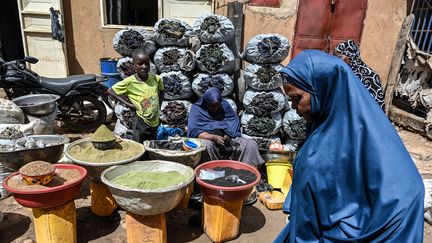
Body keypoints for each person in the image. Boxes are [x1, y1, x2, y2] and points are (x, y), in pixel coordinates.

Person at [275, 50, 424, 242]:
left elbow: (307, 230)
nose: (295, 108)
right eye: (291, 100)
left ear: (323, 89)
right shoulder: (353, 124)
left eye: (297, 98)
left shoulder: (326, 149)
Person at [187, 88, 264, 167]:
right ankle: (212, 170)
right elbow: (194, 131)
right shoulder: (196, 109)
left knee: (250, 144)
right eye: (212, 106)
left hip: (227, 139)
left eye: (217, 106)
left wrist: (228, 135)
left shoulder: (224, 106)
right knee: (206, 146)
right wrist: (213, 137)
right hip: (208, 138)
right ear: (206, 102)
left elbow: (233, 121)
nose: (215, 109)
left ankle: (245, 171)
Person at [109, 49, 164, 142]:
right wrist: (129, 104)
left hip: (154, 119)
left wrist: (158, 106)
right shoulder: (130, 82)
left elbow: (161, 91)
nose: (144, 67)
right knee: (140, 142)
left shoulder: (156, 78)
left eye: (147, 64)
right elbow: (111, 91)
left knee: (152, 141)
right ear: (134, 65)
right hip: (140, 120)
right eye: (140, 64)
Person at [334, 40, 385, 109]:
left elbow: (377, 106)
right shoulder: (339, 74)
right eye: (335, 56)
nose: (335, 60)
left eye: (340, 57)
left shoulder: (371, 77)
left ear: (351, 56)